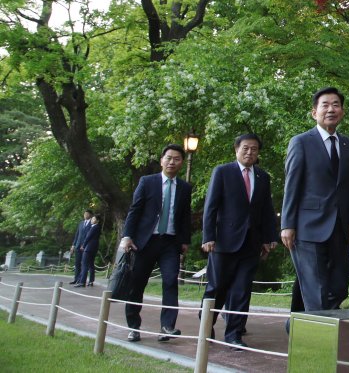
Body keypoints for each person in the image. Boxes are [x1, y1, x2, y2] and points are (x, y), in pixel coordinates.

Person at [281, 87, 349, 312]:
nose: (331, 109)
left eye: (336, 105)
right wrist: (287, 224)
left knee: (339, 287)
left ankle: (296, 325)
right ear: (314, 112)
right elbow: (292, 184)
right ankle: (316, 341)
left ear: (342, 112)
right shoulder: (301, 142)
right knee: (315, 288)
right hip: (307, 226)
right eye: (325, 105)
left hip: (340, 227)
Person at [201, 133, 279, 350]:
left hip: (251, 243)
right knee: (217, 287)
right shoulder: (223, 172)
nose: (249, 152)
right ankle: (206, 325)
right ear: (236, 149)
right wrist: (208, 237)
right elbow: (211, 207)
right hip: (223, 242)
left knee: (242, 289)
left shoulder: (263, 177)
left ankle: (234, 334)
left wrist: (269, 238)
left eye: (254, 149)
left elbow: (266, 210)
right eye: (245, 148)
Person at [119, 144, 193, 343]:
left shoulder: (185, 188)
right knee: (137, 284)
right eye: (168, 158)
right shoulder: (147, 182)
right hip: (144, 242)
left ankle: (167, 326)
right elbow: (134, 211)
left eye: (177, 159)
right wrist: (127, 236)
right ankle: (133, 326)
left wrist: (185, 240)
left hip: (169, 243)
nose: (172, 162)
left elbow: (185, 216)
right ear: (162, 160)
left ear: (181, 163)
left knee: (170, 282)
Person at [74, 214, 101, 288]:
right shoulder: (97, 227)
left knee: (84, 264)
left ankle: (82, 282)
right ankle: (91, 281)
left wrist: (83, 245)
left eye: (94, 219)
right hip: (94, 248)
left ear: (97, 221)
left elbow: (88, 237)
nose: (92, 220)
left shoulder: (94, 227)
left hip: (89, 248)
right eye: (91, 219)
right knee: (91, 264)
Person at [69, 209, 93, 285]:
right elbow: (77, 235)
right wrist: (73, 245)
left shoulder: (92, 224)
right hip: (78, 245)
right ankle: (76, 279)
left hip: (86, 246)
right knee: (77, 263)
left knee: (85, 264)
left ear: (90, 215)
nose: (85, 215)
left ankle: (82, 280)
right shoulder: (81, 223)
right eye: (84, 214)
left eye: (87, 214)